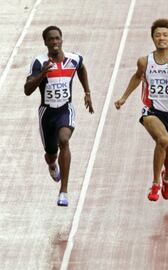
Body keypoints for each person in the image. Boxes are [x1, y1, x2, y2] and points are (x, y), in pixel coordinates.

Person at [114, 18, 168, 202]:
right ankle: (156, 183)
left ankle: (167, 179)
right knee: (162, 140)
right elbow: (137, 76)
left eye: (165, 35)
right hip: (151, 111)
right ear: (153, 39)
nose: (161, 38)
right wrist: (124, 97)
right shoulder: (144, 61)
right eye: (157, 35)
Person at [24, 25, 94, 207]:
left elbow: (82, 68)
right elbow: (27, 90)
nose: (54, 42)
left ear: (61, 40)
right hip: (47, 113)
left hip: (65, 110)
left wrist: (87, 92)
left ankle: (64, 191)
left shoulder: (73, 59)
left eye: (57, 38)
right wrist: (42, 75)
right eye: (50, 39)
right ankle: (52, 166)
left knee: (64, 140)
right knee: (50, 154)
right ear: (45, 42)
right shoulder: (39, 62)